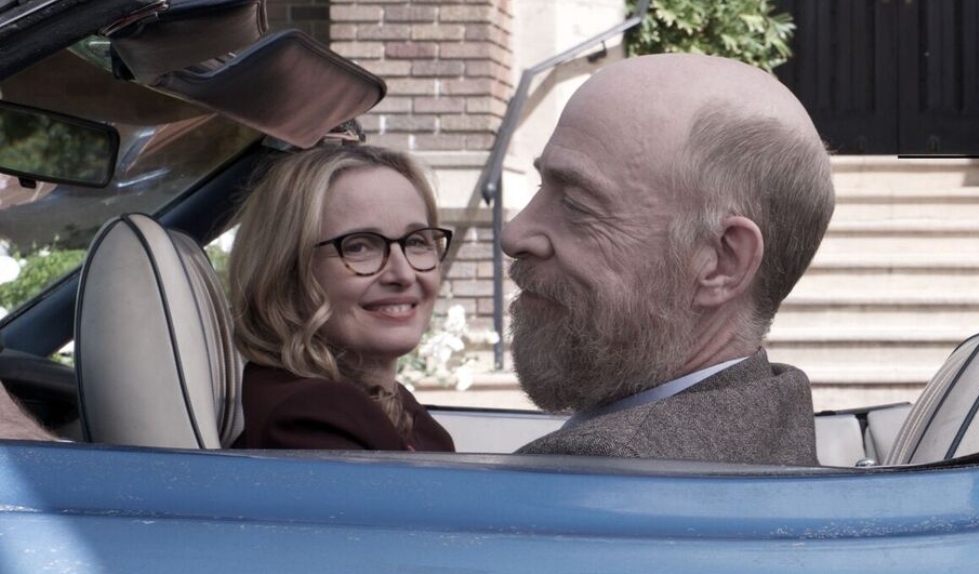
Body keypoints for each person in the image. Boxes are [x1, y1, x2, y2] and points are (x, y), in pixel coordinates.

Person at [501, 53, 834, 465]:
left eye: (576, 204)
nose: (513, 234)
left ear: (722, 261)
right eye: (542, 185)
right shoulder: (767, 415)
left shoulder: (603, 473)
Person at [228, 144, 455, 452]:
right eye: (359, 246)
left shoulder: (391, 403)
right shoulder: (311, 419)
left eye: (416, 241)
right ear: (287, 272)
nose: (403, 274)